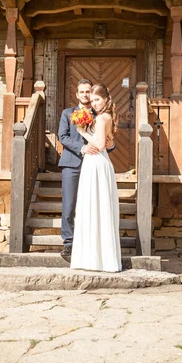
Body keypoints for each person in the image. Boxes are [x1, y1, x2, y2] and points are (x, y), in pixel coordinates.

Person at [58, 79, 114, 257]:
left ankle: (89, 241)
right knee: (69, 204)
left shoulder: (99, 115)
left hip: (93, 164)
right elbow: (63, 136)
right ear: (76, 94)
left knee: (91, 204)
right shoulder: (68, 113)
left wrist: (109, 145)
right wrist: (81, 148)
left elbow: (107, 139)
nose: (85, 95)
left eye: (88, 92)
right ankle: (69, 242)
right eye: (81, 92)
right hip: (71, 163)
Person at [70, 83, 122, 273]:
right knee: (92, 208)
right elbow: (106, 142)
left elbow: (100, 144)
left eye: (98, 100)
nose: (95, 104)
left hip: (98, 163)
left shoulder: (102, 118)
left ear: (106, 99)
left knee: (96, 208)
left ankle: (99, 260)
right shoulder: (101, 117)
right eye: (92, 101)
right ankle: (94, 258)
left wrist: (83, 132)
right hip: (93, 163)